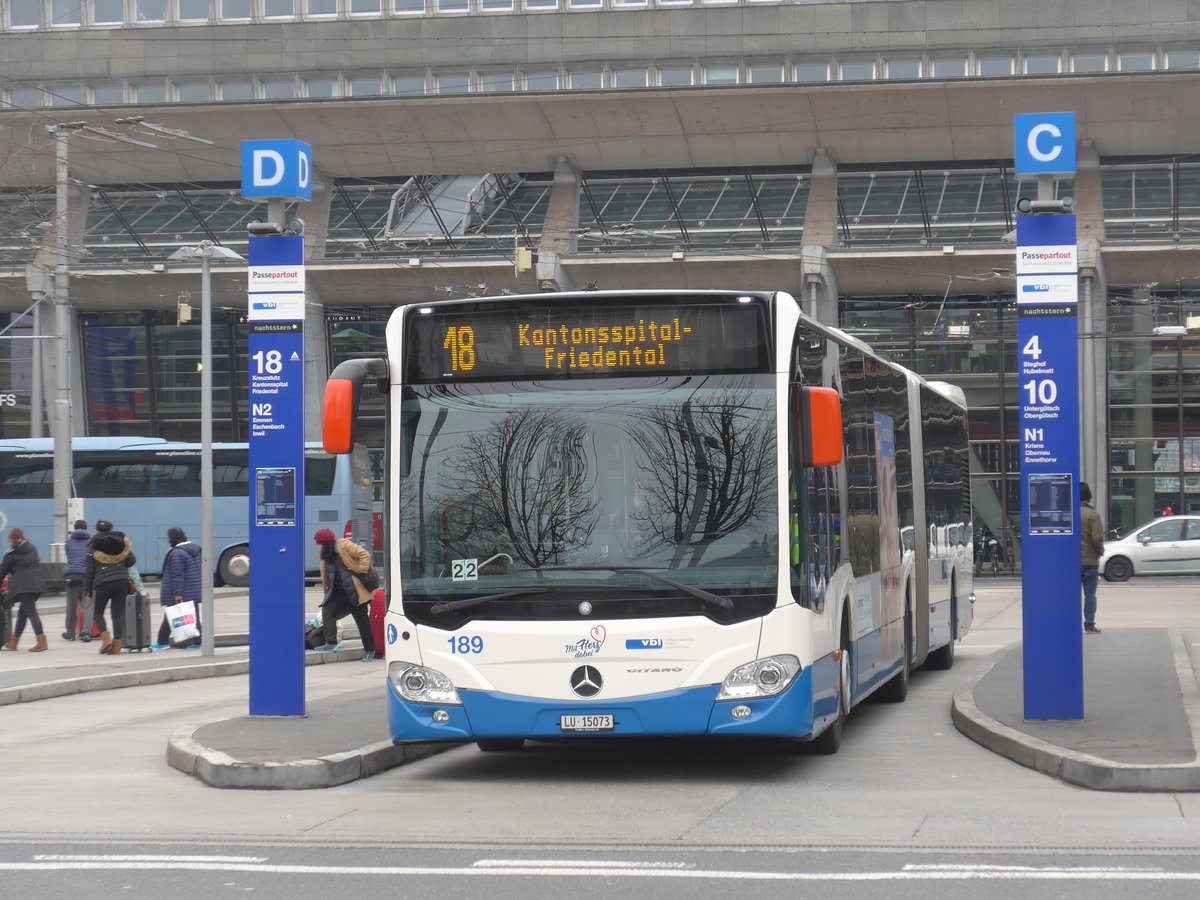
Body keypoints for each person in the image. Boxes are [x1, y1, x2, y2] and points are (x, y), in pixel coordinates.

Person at [314, 528, 378, 661]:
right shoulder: (325, 556)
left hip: (355, 592)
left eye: (318, 543)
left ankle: (370, 651)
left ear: (325, 543)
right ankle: (331, 642)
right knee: (327, 611)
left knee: (362, 622)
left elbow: (364, 554)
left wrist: (362, 570)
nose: (317, 545)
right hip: (338, 594)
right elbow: (327, 578)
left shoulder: (344, 545)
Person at [86, 519, 136, 656]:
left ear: (97, 531)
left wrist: (88, 590)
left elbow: (89, 572)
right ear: (111, 528)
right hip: (121, 582)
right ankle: (116, 647)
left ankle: (106, 639)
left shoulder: (93, 546)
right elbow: (131, 561)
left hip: (103, 583)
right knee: (117, 614)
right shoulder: (121, 543)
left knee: (98, 612)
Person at [152, 527, 202, 650]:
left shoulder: (177, 553)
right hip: (193, 589)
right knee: (193, 615)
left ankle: (162, 642)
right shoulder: (195, 550)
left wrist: (177, 593)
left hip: (181, 591)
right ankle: (198, 642)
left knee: (170, 615)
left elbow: (177, 574)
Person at [0, 527, 48, 652]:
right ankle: (14, 642)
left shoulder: (11, 554)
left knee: (31, 612)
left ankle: (41, 641)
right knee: (23, 613)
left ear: (11, 539)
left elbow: (2, 572)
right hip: (37, 583)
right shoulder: (31, 547)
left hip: (24, 586)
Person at [1080, 482, 1106, 635]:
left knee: (1071, 594)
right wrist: (1100, 551)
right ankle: (1089, 625)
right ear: (1088, 496)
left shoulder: (1068, 513)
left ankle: (1068, 622)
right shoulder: (1093, 515)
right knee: (1089, 595)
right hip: (1089, 561)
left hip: (1070, 562)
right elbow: (1097, 539)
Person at [62, 519, 93, 642]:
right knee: (88, 606)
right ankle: (86, 633)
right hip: (87, 577)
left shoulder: (68, 543)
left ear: (74, 528)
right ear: (86, 528)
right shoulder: (91, 542)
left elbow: (69, 557)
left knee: (71, 606)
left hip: (72, 577)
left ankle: (70, 633)